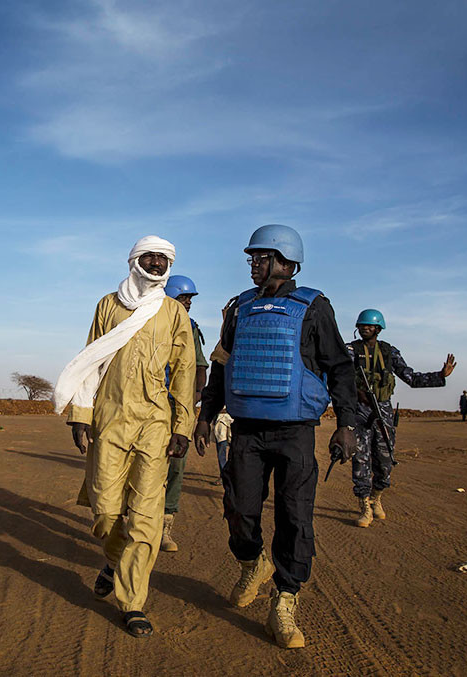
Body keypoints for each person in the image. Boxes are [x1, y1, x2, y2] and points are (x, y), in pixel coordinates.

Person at [193, 224, 358, 650]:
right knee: (240, 510)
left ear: (285, 261)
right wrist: (206, 414)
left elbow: (339, 368)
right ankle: (252, 561)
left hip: (295, 432)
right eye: (251, 258)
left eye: (261, 258)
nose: (253, 265)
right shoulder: (239, 308)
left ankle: (285, 597)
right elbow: (222, 367)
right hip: (246, 429)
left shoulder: (314, 307)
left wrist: (346, 424)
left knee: (295, 517)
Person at [54, 236, 195, 638]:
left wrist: (182, 426)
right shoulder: (109, 305)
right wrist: (81, 415)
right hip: (109, 418)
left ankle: (132, 602)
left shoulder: (172, 313)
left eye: (163, 258)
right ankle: (115, 560)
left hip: (154, 422)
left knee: (147, 518)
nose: (156, 263)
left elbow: (184, 372)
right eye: (149, 257)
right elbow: (90, 360)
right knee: (104, 508)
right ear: (135, 261)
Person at [349, 309, 456, 528]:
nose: (364, 329)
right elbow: (338, 376)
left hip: (383, 412)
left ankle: (376, 497)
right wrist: (354, 392)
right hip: (359, 412)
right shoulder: (350, 350)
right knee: (360, 459)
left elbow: (411, 378)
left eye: (369, 326)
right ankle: (364, 507)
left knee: (385, 459)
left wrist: (439, 376)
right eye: (361, 325)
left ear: (378, 329)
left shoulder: (389, 352)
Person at [159, 274, 208, 553]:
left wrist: (195, 397)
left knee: (176, 463)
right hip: (149, 404)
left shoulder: (190, 327)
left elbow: (200, 367)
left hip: (179, 406)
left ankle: (166, 524)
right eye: (183, 297)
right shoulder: (149, 320)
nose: (188, 303)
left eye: (190, 298)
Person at [212, 407, 233, 484]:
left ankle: (233, 474)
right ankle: (223, 476)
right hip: (220, 422)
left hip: (234, 420)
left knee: (235, 451)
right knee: (221, 451)